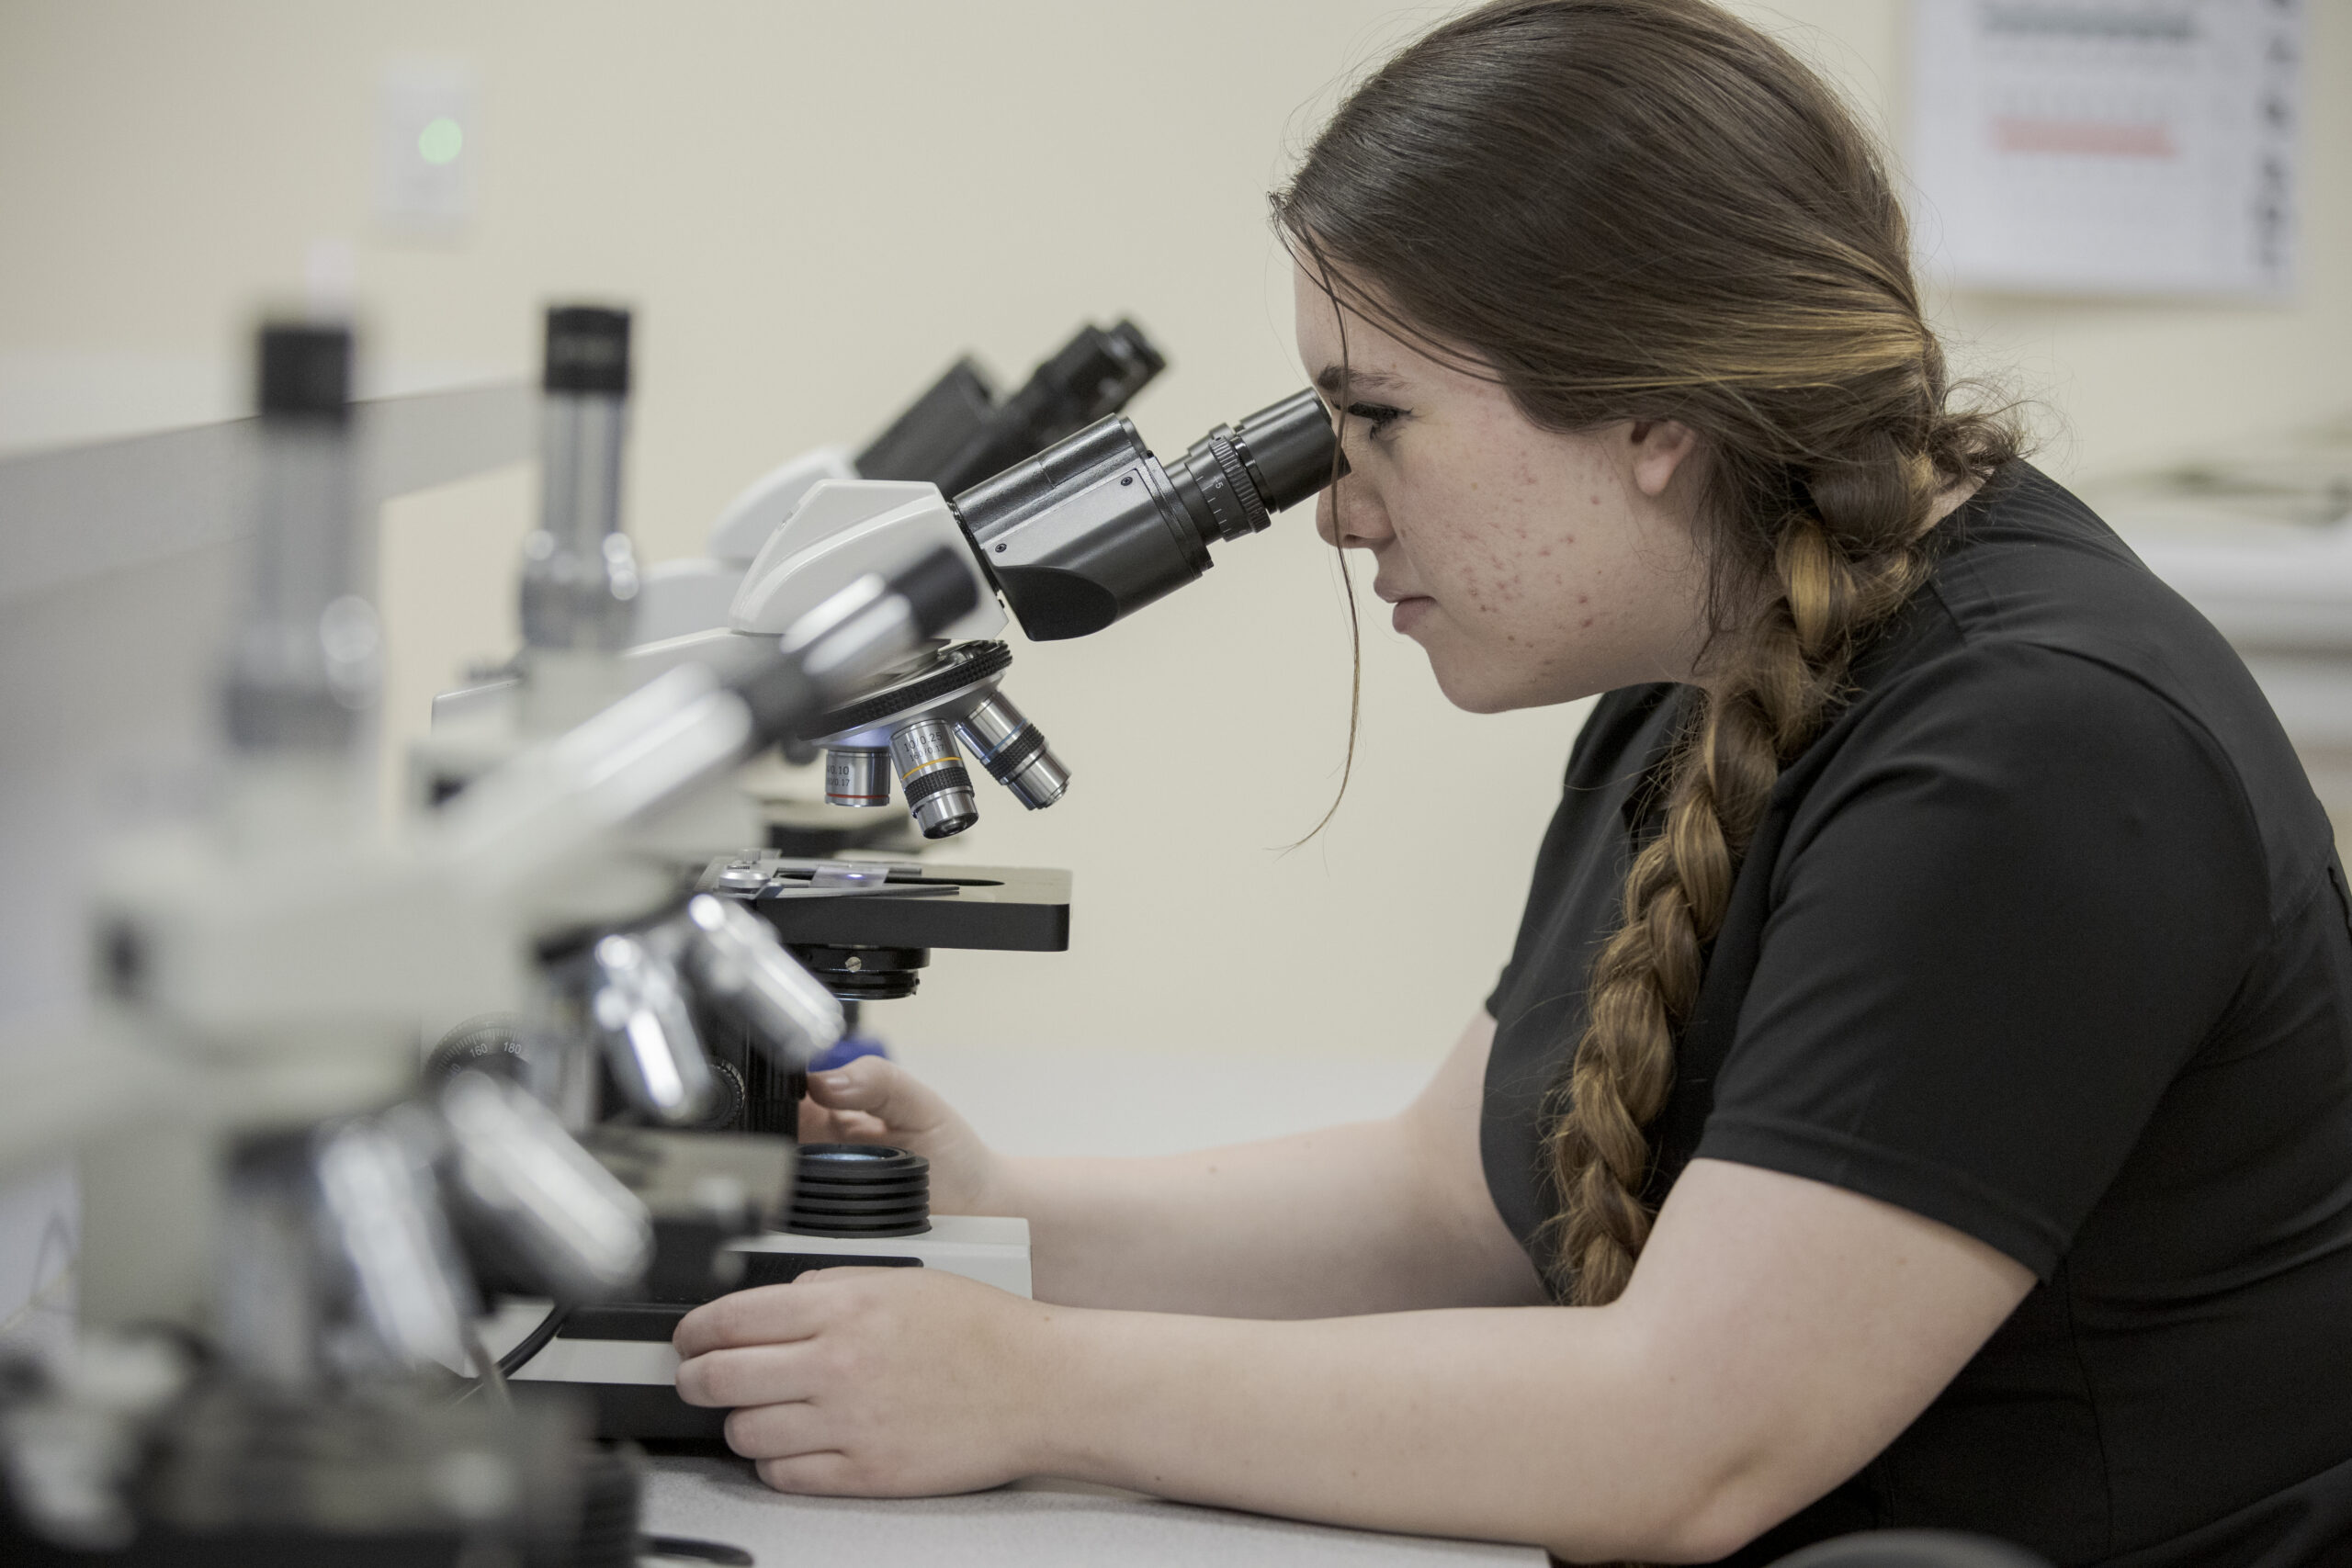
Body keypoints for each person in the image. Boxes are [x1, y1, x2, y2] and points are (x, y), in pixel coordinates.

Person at [669, 3, 2352, 1562]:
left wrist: (1034, 1384)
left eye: (1377, 418)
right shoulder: (1714, 672)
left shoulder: (2035, 747)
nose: (1336, 506)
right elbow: (1449, 1200)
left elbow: (1689, 1438)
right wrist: (1009, 1214)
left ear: (1648, 413)